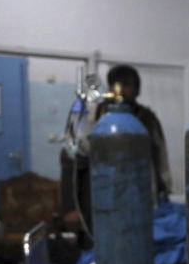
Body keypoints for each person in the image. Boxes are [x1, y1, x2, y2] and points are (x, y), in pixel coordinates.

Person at [61, 64, 172, 246]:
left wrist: (163, 191)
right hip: (98, 197)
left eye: (129, 85)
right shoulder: (93, 114)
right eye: (118, 84)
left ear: (137, 91)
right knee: (99, 247)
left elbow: (161, 158)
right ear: (110, 87)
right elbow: (71, 157)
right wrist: (70, 207)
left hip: (138, 198)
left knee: (134, 246)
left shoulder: (147, 119)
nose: (123, 90)